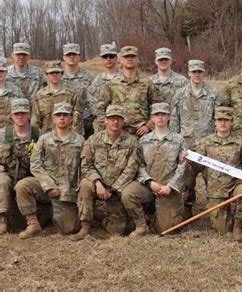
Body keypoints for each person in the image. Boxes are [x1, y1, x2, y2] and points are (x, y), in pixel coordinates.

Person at [72, 105, 149, 240]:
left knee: (116, 231)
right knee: (84, 185)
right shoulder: (93, 140)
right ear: (105, 120)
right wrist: (97, 183)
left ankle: (103, 215)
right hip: (98, 186)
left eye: (119, 118)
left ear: (123, 121)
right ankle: (85, 227)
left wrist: (113, 189)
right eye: (112, 118)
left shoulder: (132, 142)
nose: (115, 122)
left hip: (118, 189)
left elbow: (131, 169)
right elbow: (86, 166)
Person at [15, 103, 84, 238]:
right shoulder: (44, 139)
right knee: (23, 186)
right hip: (45, 185)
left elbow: (84, 168)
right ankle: (33, 224)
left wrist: (69, 192)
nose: (62, 118)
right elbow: (35, 164)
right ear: (53, 118)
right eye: (58, 115)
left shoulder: (80, 140)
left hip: (67, 189)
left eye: (65, 115)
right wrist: (49, 185)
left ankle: (49, 211)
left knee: (68, 229)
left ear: (71, 118)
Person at [189, 107, 242, 241]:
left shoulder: (241, 142)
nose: (223, 123)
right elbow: (199, 167)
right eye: (220, 120)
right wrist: (190, 161)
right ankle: (230, 217)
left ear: (232, 122)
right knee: (222, 230)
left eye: (226, 120)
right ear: (215, 122)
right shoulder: (206, 142)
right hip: (216, 189)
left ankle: (239, 226)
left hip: (236, 184)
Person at [170, 59, 221, 218]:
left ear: (203, 73)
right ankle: (186, 207)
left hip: (208, 147)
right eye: (194, 72)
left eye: (200, 72)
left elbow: (219, 119)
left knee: (213, 180)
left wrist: (217, 143)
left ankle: (215, 206)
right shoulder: (180, 94)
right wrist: (177, 146)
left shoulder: (213, 94)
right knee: (186, 181)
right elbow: (174, 121)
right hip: (187, 147)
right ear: (189, 73)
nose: (197, 75)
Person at [137, 103, 187, 234]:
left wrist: (170, 186)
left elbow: (183, 166)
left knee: (168, 230)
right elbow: (138, 165)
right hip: (148, 186)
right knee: (129, 194)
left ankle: (158, 216)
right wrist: (149, 181)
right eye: (156, 115)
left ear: (169, 117)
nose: (160, 118)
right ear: (152, 118)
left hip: (168, 188)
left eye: (163, 114)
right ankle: (142, 220)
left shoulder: (178, 140)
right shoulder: (143, 140)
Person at [95, 46, 160, 136]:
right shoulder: (112, 84)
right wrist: (110, 127)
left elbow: (158, 107)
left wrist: (148, 126)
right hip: (119, 133)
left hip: (142, 133)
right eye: (126, 57)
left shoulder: (147, 83)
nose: (129, 59)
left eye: (132, 56)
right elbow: (100, 109)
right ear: (121, 59)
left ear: (137, 59)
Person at [0, 99, 42, 235]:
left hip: (31, 177)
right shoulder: (2, 134)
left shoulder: (40, 135)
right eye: (17, 113)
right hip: (8, 174)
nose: (20, 117)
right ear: (11, 115)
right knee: (2, 181)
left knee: (23, 185)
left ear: (29, 114)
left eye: (23, 113)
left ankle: (32, 222)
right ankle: (2, 221)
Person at [31, 60, 83, 135]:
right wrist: (35, 138)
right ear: (46, 74)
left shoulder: (71, 94)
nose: (55, 75)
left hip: (67, 137)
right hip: (45, 137)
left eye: (57, 72)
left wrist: (75, 138)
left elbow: (77, 119)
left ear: (62, 74)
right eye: (51, 73)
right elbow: (35, 119)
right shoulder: (40, 95)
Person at [61, 43, 94, 137]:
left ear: (79, 57)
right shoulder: (57, 77)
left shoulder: (88, 77)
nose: (71, 57)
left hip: (85, 124)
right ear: (64, 57)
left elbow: (93, 101)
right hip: (62, 123)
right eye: (68, 54)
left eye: (74, 54)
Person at [88, 43, 120, 129]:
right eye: (105, 57)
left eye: (111, 56)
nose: (108, 59)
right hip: (103, 125)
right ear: (102, 59)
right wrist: (106, 119)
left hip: (122, 123)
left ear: (116, 58)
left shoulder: (125, 78)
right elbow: (92, 104)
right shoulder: (96, 81)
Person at [0, 57, 25, 128]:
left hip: (11, 131)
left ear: (6, 72)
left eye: (2, 71)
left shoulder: (16, 90)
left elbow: (24, 110)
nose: (0, 73)